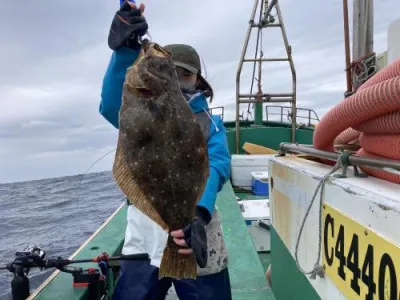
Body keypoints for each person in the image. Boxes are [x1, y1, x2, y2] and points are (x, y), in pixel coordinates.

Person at [99, 1, 232, 299]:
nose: (180, 80)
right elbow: (110, 105)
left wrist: (197, 213)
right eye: (172, 72)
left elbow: (219, 165)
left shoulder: (211, 121)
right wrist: (123, 51)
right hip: (146, 229)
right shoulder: (137, 104)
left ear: (198, 80)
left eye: (186, 74)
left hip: (197, 226)